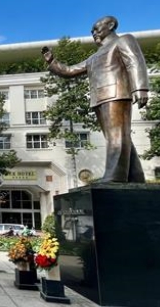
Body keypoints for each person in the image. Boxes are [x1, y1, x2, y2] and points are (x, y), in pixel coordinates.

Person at [43, 15, 149, 183]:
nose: (93, 32)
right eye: (92, 30)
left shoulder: (123, 40)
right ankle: (135, 176)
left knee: (117, 136)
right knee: (117, 136)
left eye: (96, 27)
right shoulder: (94, 57)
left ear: (111, 25)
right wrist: (53, 62)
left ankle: (114, 176)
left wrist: (140, 87)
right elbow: (71, 71)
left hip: (117, 93)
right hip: (99, 99)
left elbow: (134, 61)